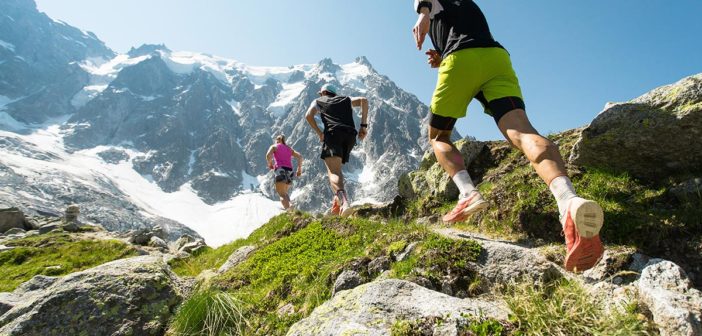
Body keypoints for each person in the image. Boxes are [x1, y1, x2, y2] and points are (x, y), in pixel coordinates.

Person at [411, 0, 604, 272]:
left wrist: (422, 14)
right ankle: (568, 201)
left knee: (439, 137)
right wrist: (441, 54)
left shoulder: (429, 5)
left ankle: (467, 193)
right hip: (495, 58)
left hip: (460, 61)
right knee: (523, 131)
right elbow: (463, 30)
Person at [305, 84, 368, 217]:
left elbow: (308, 116)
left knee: (333, 172)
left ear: (323, 93)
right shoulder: (345, 99)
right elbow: (364, 100)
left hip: (333, 135)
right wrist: (363, 126)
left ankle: (344, 202)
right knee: (338, 170)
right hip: (350, 136)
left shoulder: (318, 101)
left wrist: (319, 133)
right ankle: (336, 205)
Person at [266, 135, 303, 210]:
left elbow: (268, 155)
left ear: (278, 139)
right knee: (285, 193)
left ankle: (289, 210)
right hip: (290, 171)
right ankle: (291, 208)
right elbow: (300, 156)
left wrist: (270, 164)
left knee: (281, 194)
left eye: (276, 139)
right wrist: (299, 169)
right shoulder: (289, 149)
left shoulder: (274, 146)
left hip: (280, 169)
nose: (276, 141)